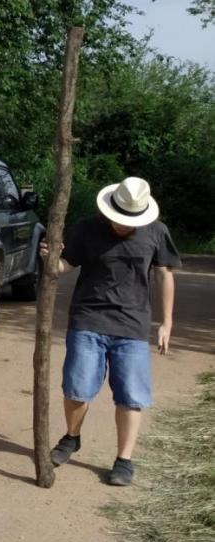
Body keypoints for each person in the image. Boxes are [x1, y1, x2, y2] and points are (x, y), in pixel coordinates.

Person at [41, 176, 179, 486]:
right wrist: (51, 257)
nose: (120, 225)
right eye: (116, 219)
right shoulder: (87, 228)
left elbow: (165, 276)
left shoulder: (157, 232)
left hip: (132, 326)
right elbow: (65, 265)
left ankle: (124, 460)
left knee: (131, 396)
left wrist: (167, 323)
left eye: (127, 221)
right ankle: (71, 437)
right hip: (88, 319)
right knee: (76, 388)